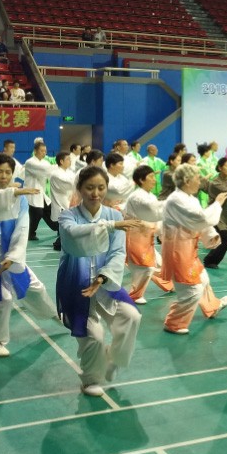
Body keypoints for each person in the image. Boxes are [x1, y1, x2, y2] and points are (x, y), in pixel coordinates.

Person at [56, 166, 143, 396]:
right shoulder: (67, 216)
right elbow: (75, 237)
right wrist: (111, 226)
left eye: (101, 188)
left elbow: (117, 252)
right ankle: (90, 378)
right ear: (80, 189)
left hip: (106, 281)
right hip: (76, 283)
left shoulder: (114, 214)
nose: (96, 193)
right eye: (90, 187)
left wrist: (103, 277)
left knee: (132, 316)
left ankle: (114, 359)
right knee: (93, 336)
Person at [0, 154, 58, 357]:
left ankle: (52, 314)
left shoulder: (20, 199)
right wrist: (12, 194)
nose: (4, 176)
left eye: (8, 172)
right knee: (3, 299)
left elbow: (22, 228)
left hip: (11, 257)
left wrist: (14, 255)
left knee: (35, 287)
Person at [160, 164, 227, 334]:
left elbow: (201, 222)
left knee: (203, 279)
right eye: (198, 178)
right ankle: (174, 323)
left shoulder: (190, 198)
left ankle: (212, 306)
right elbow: (202, 218)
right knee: (191, 290)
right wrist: (218, 203)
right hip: (178, 249)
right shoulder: (177, 200)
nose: (201, 181)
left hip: (188, 247)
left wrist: (210, 237)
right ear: (186, 180)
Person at [123, 165, 171, 304]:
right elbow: (154, 214)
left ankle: (169, 284)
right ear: (141, 180)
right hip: (134, 236)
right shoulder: (138, 197)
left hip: (146, 235)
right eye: (151, 177)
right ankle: (134, 295)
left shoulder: (149, 196)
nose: (154, 180)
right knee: (145, 267)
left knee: (159, 264)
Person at [23, 141, 59, 241]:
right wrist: (59, 166)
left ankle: (58, 228)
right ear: (35, 151)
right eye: (42, 151)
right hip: (31, 192)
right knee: (37, 213)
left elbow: (48, 173)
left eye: (45, 151)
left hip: (41, 193)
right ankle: (30, 234)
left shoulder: (45, 162)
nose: (44, 153)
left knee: (50, 210)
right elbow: (45, 171)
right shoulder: (30, 162)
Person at [48, 151, 78, 251]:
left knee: (67, 228)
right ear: (61, 161)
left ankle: (60, 242)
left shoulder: (70, 172)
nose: (70, 161)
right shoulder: (56, 174)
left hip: (69, 203)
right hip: (60, 204)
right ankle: (58, 243)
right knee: (66, 227)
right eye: (68, 159)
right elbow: (71, 184)